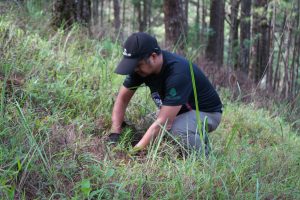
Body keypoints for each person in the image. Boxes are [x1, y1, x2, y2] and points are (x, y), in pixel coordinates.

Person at [107, 32, 222, 155]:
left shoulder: (178, 73)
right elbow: (122, 99)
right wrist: (115, 133)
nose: (134, 69)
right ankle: (189, 135)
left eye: (138, 65)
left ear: (153, 56)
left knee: (176, 131)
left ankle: (204, 156)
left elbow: (163, 123)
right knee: (144, 126)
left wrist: (133, 152)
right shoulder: (140, 70)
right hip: (176, 110)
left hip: (206, 112)